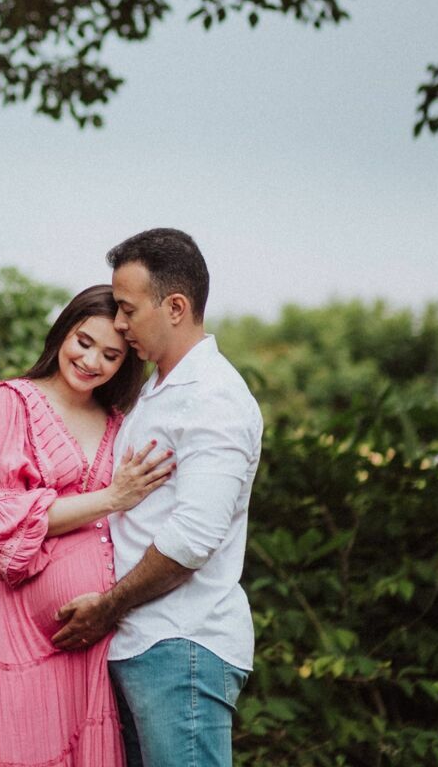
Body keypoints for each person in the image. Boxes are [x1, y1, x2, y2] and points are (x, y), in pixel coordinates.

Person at [51, 229, 264, 767]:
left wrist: (107, 608)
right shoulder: (159, 389)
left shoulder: (213, 399)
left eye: (127, 309)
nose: (118, 324)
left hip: (181, 646)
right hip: (142, 645)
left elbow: (192, 540)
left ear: (175, 307)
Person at [0, 284, 178, 767]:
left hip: (88, 634)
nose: (92, 361)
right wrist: (112, 496)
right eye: (83, 341)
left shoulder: (116, 422)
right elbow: (3, 520)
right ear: (61, 334)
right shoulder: (9, 403)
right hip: (13, 628)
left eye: (111, 355)